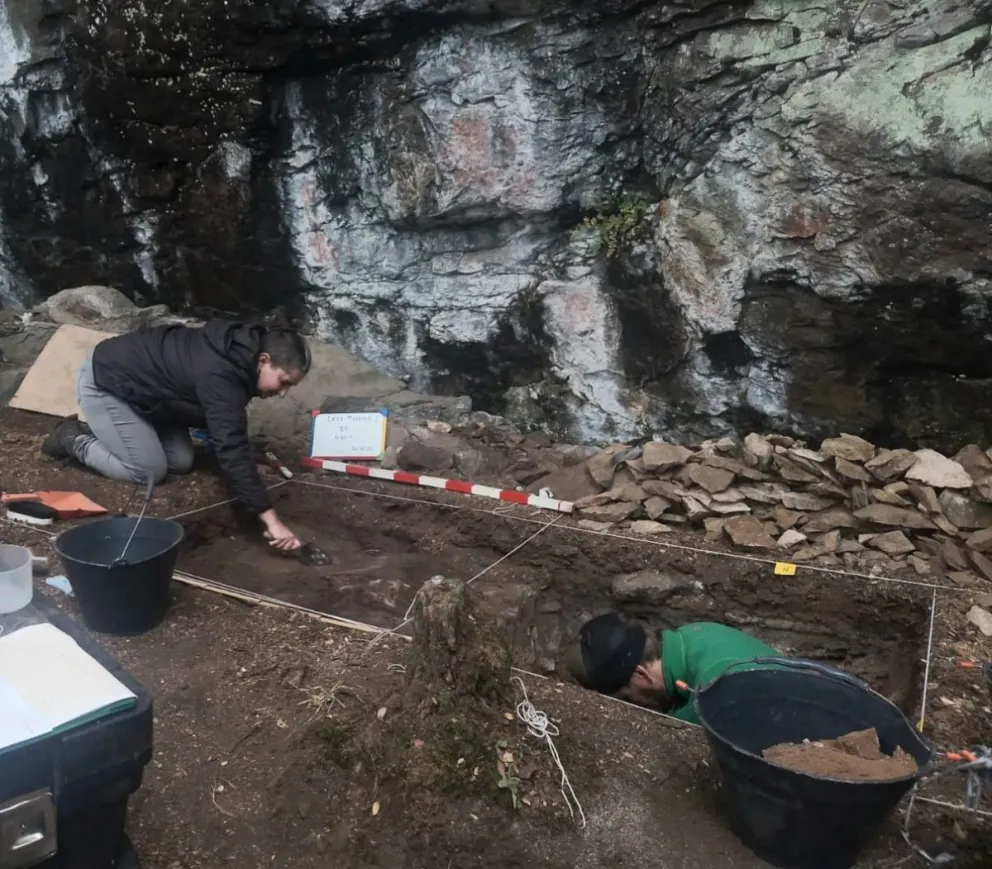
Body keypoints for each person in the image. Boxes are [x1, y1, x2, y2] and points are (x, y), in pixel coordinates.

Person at [41, 319, 310, 552]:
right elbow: (229, 443)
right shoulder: (222, 372)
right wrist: (272, 521)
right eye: (284, 381)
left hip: (153, 395)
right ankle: (75, 439)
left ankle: (121, 434)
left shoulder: (240, 355)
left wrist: (239, 445)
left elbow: (224, 424)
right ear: (264, 360)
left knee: (180, 460)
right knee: (148, 470)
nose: (283, 392)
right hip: (108, 381)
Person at [565, 612, 781, 724]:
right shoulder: (693, 635)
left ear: (641, 674)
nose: (634, 703)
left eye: (628, 697)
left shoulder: (715, 689)